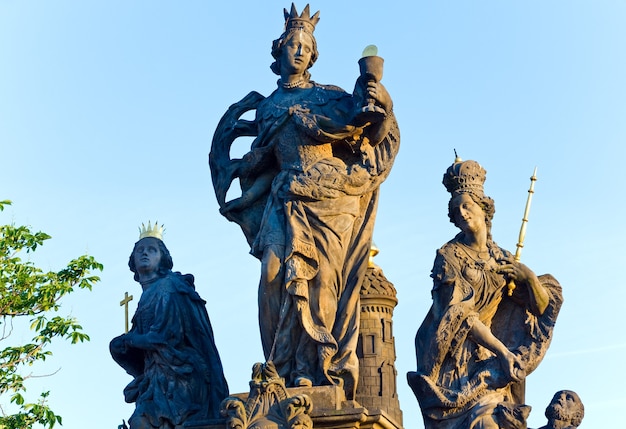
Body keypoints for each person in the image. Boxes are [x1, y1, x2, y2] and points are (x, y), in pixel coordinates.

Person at [210, 4, 399, 400]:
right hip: (285, 197)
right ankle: (279, 367)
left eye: (305, 46)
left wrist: (380, 99)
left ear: (313, 56)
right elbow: (261, 158)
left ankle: (317, 369)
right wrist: (235, 171)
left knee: (322, 283)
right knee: (273, 276)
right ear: (278, 52)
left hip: (331, 198)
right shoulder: (265, 108)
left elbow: (373, 128)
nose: (298, 50)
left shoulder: (328, 97)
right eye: (292, 44)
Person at [407, 157, 563, 429]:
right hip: (453, 362)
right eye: (456, 212)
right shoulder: (449, 257)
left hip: (488, 364)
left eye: (467, 206)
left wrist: (528, 279)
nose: (463, 214)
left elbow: (539, 309)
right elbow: (459, 315)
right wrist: (502, 352)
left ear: (483, 207)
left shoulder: (502, 258)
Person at [110, 223, 229, 429]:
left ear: (162, 258)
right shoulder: (147, 294)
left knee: (142, 423)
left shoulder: (169, 287)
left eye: (151, 250)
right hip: (158, 376)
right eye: (140, 250)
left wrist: (129, 340)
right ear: (133, 260)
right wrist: (121, 346)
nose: (145, 253)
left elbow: (163, 337)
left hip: (181, 377)